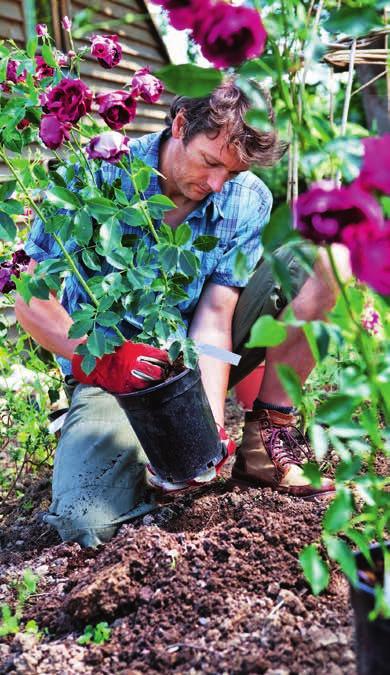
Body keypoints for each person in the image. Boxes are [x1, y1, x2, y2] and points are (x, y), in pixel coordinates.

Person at [15, 81, 351, 547]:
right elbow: (30, 300)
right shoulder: (93, 175)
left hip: (197, 352)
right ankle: (125, 449)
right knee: (85, 522)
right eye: (211, 162)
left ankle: (265, 438)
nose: (216, 184)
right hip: (110, 373)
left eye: (230, 174)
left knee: (327, 260)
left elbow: (216, 312)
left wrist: (205, 431)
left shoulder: (246, 198)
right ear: (178, 126)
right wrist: (106, 361)